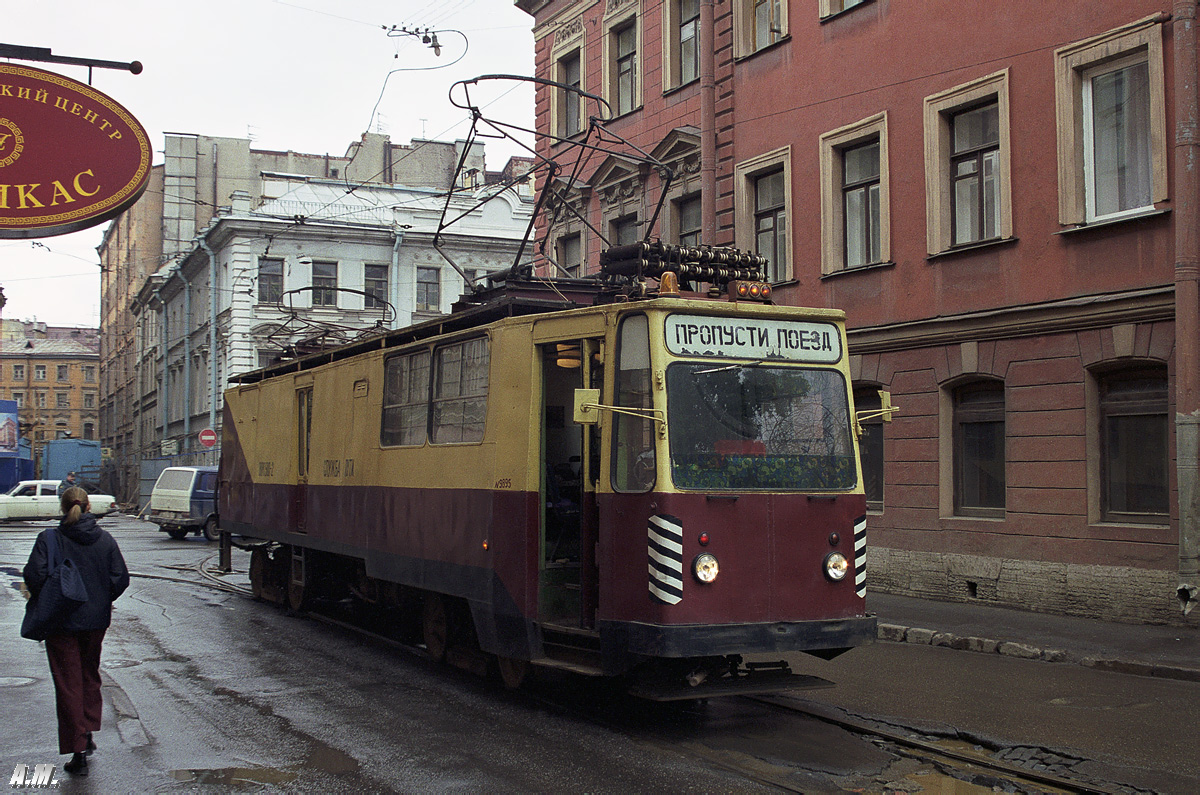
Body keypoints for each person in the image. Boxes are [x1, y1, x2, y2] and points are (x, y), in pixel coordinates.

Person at [23, 486, 129, 777]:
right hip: (95, 622)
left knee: (69, 683)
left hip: (61, 622)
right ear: (89, 506)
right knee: (89, 674)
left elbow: (34, 575)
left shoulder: (49, 539)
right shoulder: (105, 539)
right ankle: (88, 730)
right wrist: (99, 600)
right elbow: (120, 578)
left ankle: (78, 750)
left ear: (62, 507)